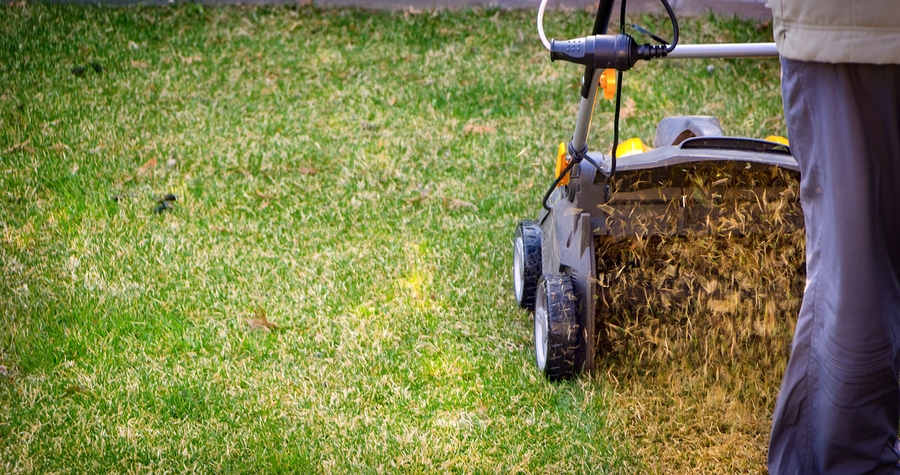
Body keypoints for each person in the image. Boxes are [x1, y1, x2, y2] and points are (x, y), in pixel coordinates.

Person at [766, 1, 900, 473]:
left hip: (854, 27)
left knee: (855, 259)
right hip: (860, 27)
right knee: (858, 265)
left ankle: (845, 459)